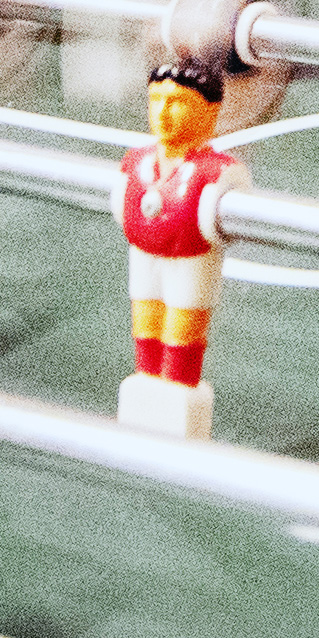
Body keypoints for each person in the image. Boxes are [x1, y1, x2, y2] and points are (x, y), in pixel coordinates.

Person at [119, 57, 238, 440]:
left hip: (190, 262)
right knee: (147, 328)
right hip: (145, 257)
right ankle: (146, 388)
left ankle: (174, 400)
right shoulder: (137, 161)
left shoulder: (218, 172)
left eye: (177, 103)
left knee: (181, 333)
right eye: (156, 100)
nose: (163, 113)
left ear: (210, 112)